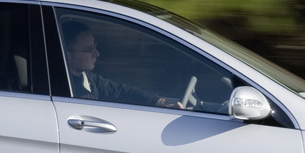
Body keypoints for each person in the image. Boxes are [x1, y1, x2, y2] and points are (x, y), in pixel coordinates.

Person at [61, 20, 209, 110]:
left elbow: (120, 90)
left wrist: (157, 101)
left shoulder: (87, 79)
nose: (97, 53)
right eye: (89, 49)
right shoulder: (69, 91)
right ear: (68, 54)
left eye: (95, 46)